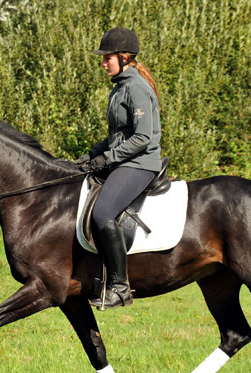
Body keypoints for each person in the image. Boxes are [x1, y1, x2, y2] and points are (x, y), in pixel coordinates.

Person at [76, 27, 162, 309]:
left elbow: (141, 138)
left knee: (102, 213)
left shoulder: (136, 88)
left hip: (140, 163)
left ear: (124, 58)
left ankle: (121, 287)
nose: (102, 63)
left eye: (107, 58)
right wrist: (92, 154)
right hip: (124, 159)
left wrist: (108, 158)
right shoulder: (120, 88)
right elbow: (117, 134)